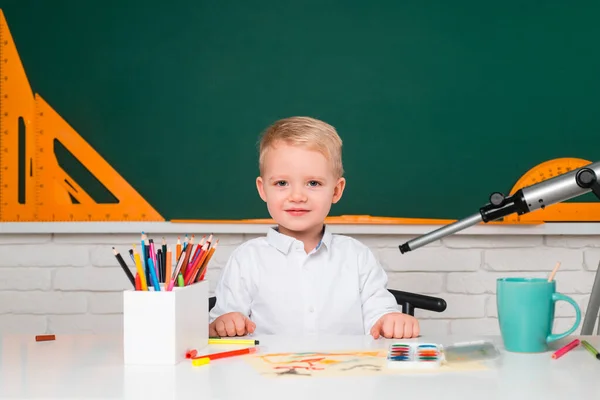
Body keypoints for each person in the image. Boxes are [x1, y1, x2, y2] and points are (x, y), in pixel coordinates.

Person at [209, 116, 420, 339]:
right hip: (269, 372)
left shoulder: (357, 257)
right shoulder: (247, 259)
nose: (297, 196)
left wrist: (390, 320)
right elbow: (220, 323)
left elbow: (379, 314)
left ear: (336, 191)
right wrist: (226, 322)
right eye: (282, 183)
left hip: (346, 372)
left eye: (313, 183)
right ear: (263, 190)